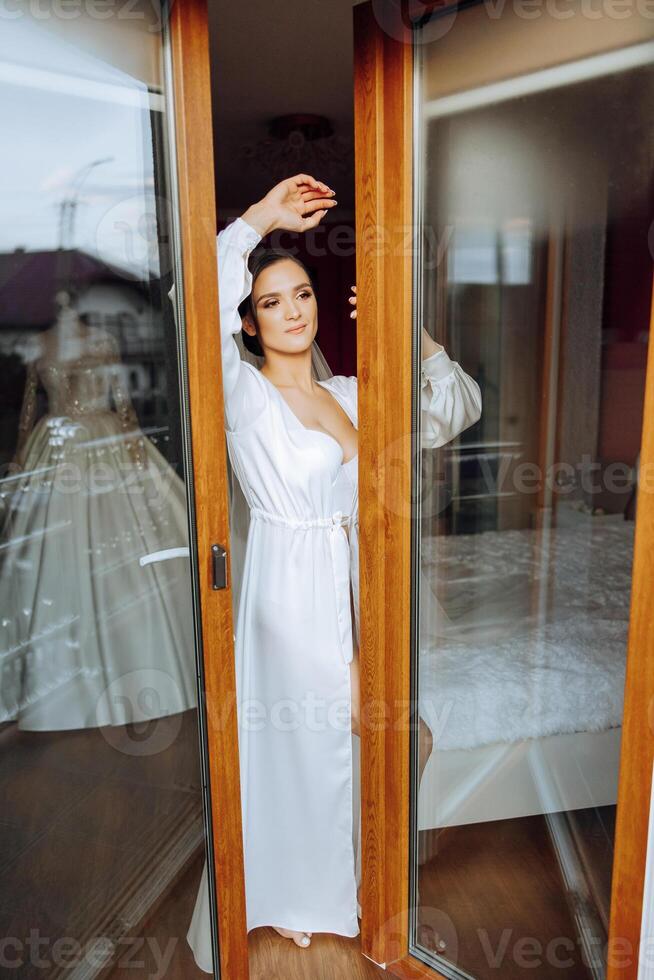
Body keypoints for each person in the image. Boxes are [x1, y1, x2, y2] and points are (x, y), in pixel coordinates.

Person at [186, 174, 481, 965]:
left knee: (395, 734)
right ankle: (306, 891)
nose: (294, 310)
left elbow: (453, 411)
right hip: (293, 588)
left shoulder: (351, 391)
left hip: (362, 581)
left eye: (303, 293)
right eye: (273, 301)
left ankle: (363, 873)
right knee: (328, 738)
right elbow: (199, 302)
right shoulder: (241, 397)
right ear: (248, 325)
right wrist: (256, 222)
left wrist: (412, 332)